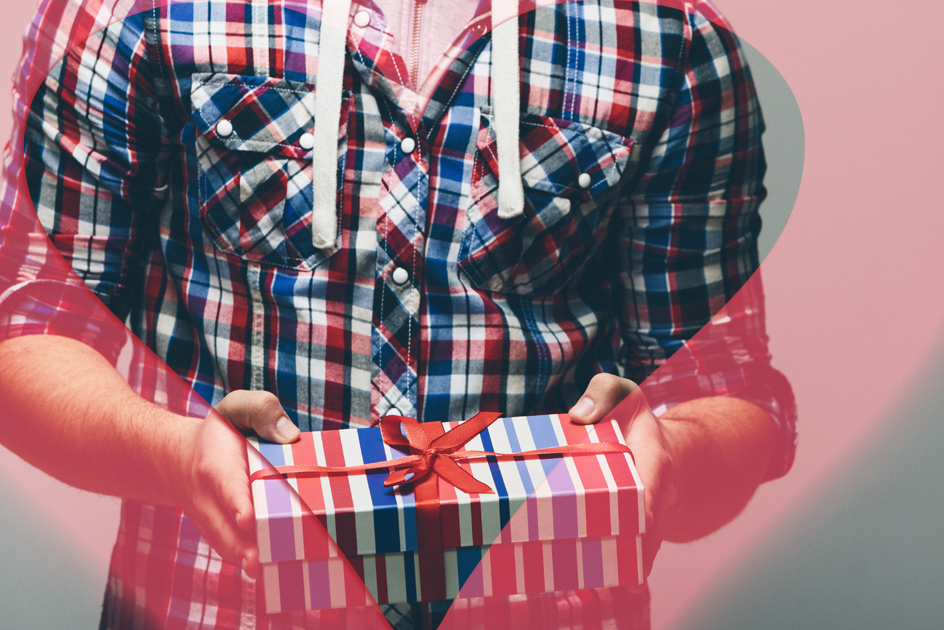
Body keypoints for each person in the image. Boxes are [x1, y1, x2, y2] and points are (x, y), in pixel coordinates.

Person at [0, 0, 797, 626]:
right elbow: (27, 329)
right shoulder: (133, 8)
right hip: (211, 607)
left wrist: (667, 461)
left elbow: (728, 394)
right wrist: (178, 458)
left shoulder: (673, 36)